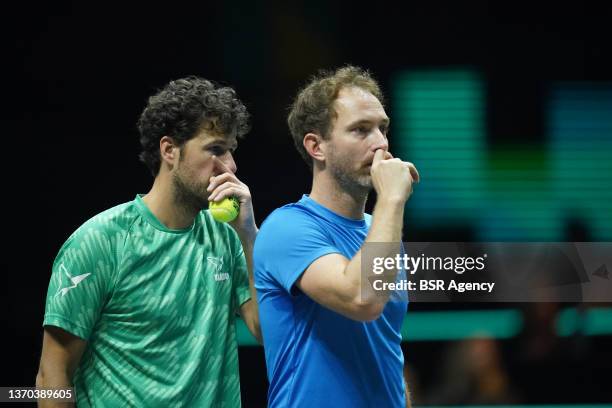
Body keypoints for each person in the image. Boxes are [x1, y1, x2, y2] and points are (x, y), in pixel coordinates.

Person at [36, 76, 261, 407]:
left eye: (230, 151)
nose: (230, 166)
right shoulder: (99, 241)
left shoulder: (229, 237)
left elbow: (267, 334)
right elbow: (52, 377)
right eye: (215, 149)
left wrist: (249, 235)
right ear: (169, 150)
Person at [254, 66, 420, 407]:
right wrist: (390, 198)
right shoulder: (287, 228)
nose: (381, 144)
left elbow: (382, 344)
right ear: (317, 146)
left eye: (382, 128)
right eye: (360, 130)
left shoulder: (383, 230)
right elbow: (361, 299)